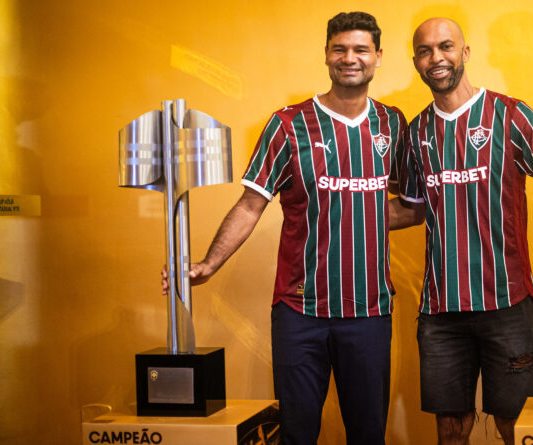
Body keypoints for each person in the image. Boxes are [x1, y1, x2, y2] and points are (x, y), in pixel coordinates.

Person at [163, 12, 406, 445]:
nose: (350, 58)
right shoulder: (288, 124)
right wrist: (207, 264)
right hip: (300, 312)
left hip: (369, 312)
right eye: (340, 49)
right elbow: (251, 205)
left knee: (369, 435)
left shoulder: (393, 125)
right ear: (327, 55)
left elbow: (413, 206)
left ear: (378, 57)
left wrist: (360, 213)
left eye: (360, 50)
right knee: (297, 434)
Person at [389, 18, 533, 445]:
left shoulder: (510, 115)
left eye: (445, 46)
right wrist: (338, 212)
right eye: (425, 51)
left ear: (464, 52)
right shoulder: (416, 132)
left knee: (512, 424)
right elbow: (411, 209)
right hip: (441, 311)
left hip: (507, 304)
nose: (436, 58)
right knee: (450, 427)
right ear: (416, 62)